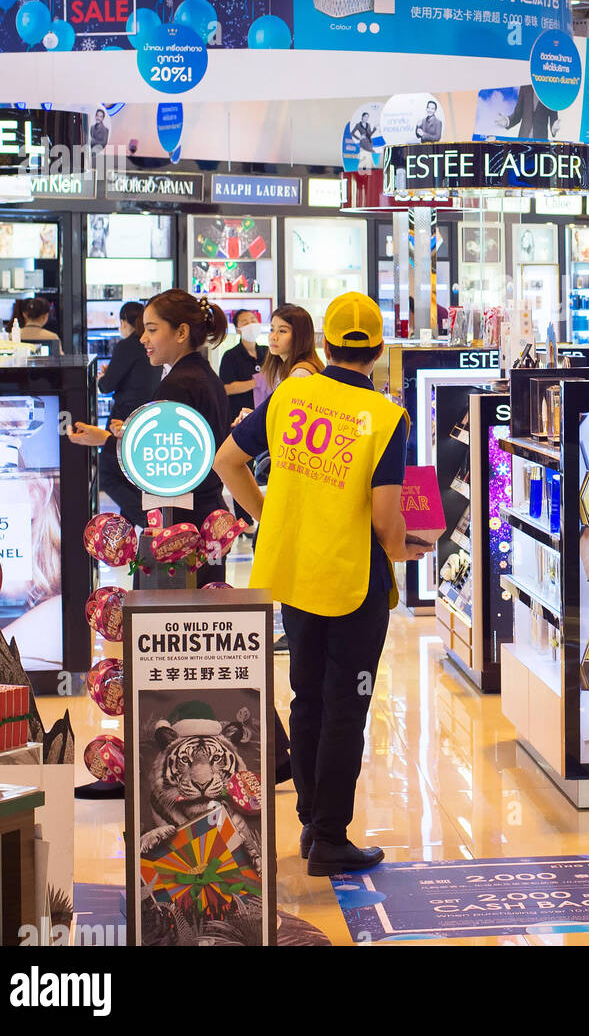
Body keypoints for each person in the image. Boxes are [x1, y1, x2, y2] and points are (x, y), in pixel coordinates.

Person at [214, 293, 435, 874]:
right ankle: (331, 838)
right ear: (381, 351)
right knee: (347, 705)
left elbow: (227, 462)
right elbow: (387, 520)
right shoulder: (386, 417)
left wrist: (271, 517)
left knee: (306, 696)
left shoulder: (293, 394)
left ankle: (312, 822)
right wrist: (404, 547)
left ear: (327, 345)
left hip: (294, 573)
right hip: (352, 582)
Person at [68, 290, 232, 574]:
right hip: (202, 519)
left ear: (181, 332)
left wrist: (108, 441)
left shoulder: (179, 384)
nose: (143, 338)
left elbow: (160, 463)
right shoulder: (201, 376)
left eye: (152, 330)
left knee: (180, 614)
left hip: (182, 529)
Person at [96, 301, 160, 527]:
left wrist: (104, 377)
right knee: (131, 477)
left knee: (109, 475)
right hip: (147, 416)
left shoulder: (126, 346)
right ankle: (127, 534)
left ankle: (149, 521)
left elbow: (107, 386)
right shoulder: (152, 345)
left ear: (125, 322)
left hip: (123, 417)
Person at [219, 309, 267, 425]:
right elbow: (227, 389)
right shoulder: (230, 356)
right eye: (245, 322)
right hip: (240, 417)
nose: (251, 324)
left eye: (253, 320)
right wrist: (258, 381)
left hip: (264, 414)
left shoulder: (267, 352)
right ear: (237, 329)